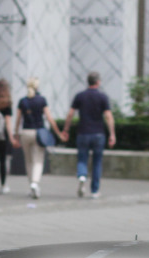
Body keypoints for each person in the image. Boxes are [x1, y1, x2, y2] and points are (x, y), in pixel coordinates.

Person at [62, 71, 116, 200]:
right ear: (98, 82)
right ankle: (95, 191)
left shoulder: (80, 96)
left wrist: (66, 130)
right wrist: (112, 134)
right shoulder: (102, 97)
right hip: (98, 134)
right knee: (97, 162)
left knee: (82, 159)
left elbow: (70, 114)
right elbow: (108, 116)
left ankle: (82, 175)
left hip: (83, 133)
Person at [11, 77, 64, 199]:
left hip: (25, 133)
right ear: (37, 87)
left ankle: (31, 186)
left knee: (28, 161)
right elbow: (49, 119)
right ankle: (35, 183)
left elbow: (18, 121)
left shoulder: (22, 101)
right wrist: (58, 133)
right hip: (38, 133)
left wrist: (16, 136)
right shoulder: (41, 100)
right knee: (38, 160)